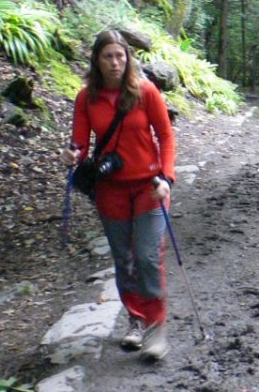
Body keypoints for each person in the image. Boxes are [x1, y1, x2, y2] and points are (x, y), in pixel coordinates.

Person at [68, 29, 177, 361]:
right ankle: (136, 320)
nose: (115, 63)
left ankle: (157, 326)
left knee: (146, 257)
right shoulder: (87, 98)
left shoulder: (145, 92)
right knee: (124, 260)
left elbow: (167, 137)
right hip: (110, 191)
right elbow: (80, 143)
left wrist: (167, 178)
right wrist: (73, 154)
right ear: (97, 61)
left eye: (120, 56)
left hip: (149, 188)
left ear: (128, 58)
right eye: (107, 56)